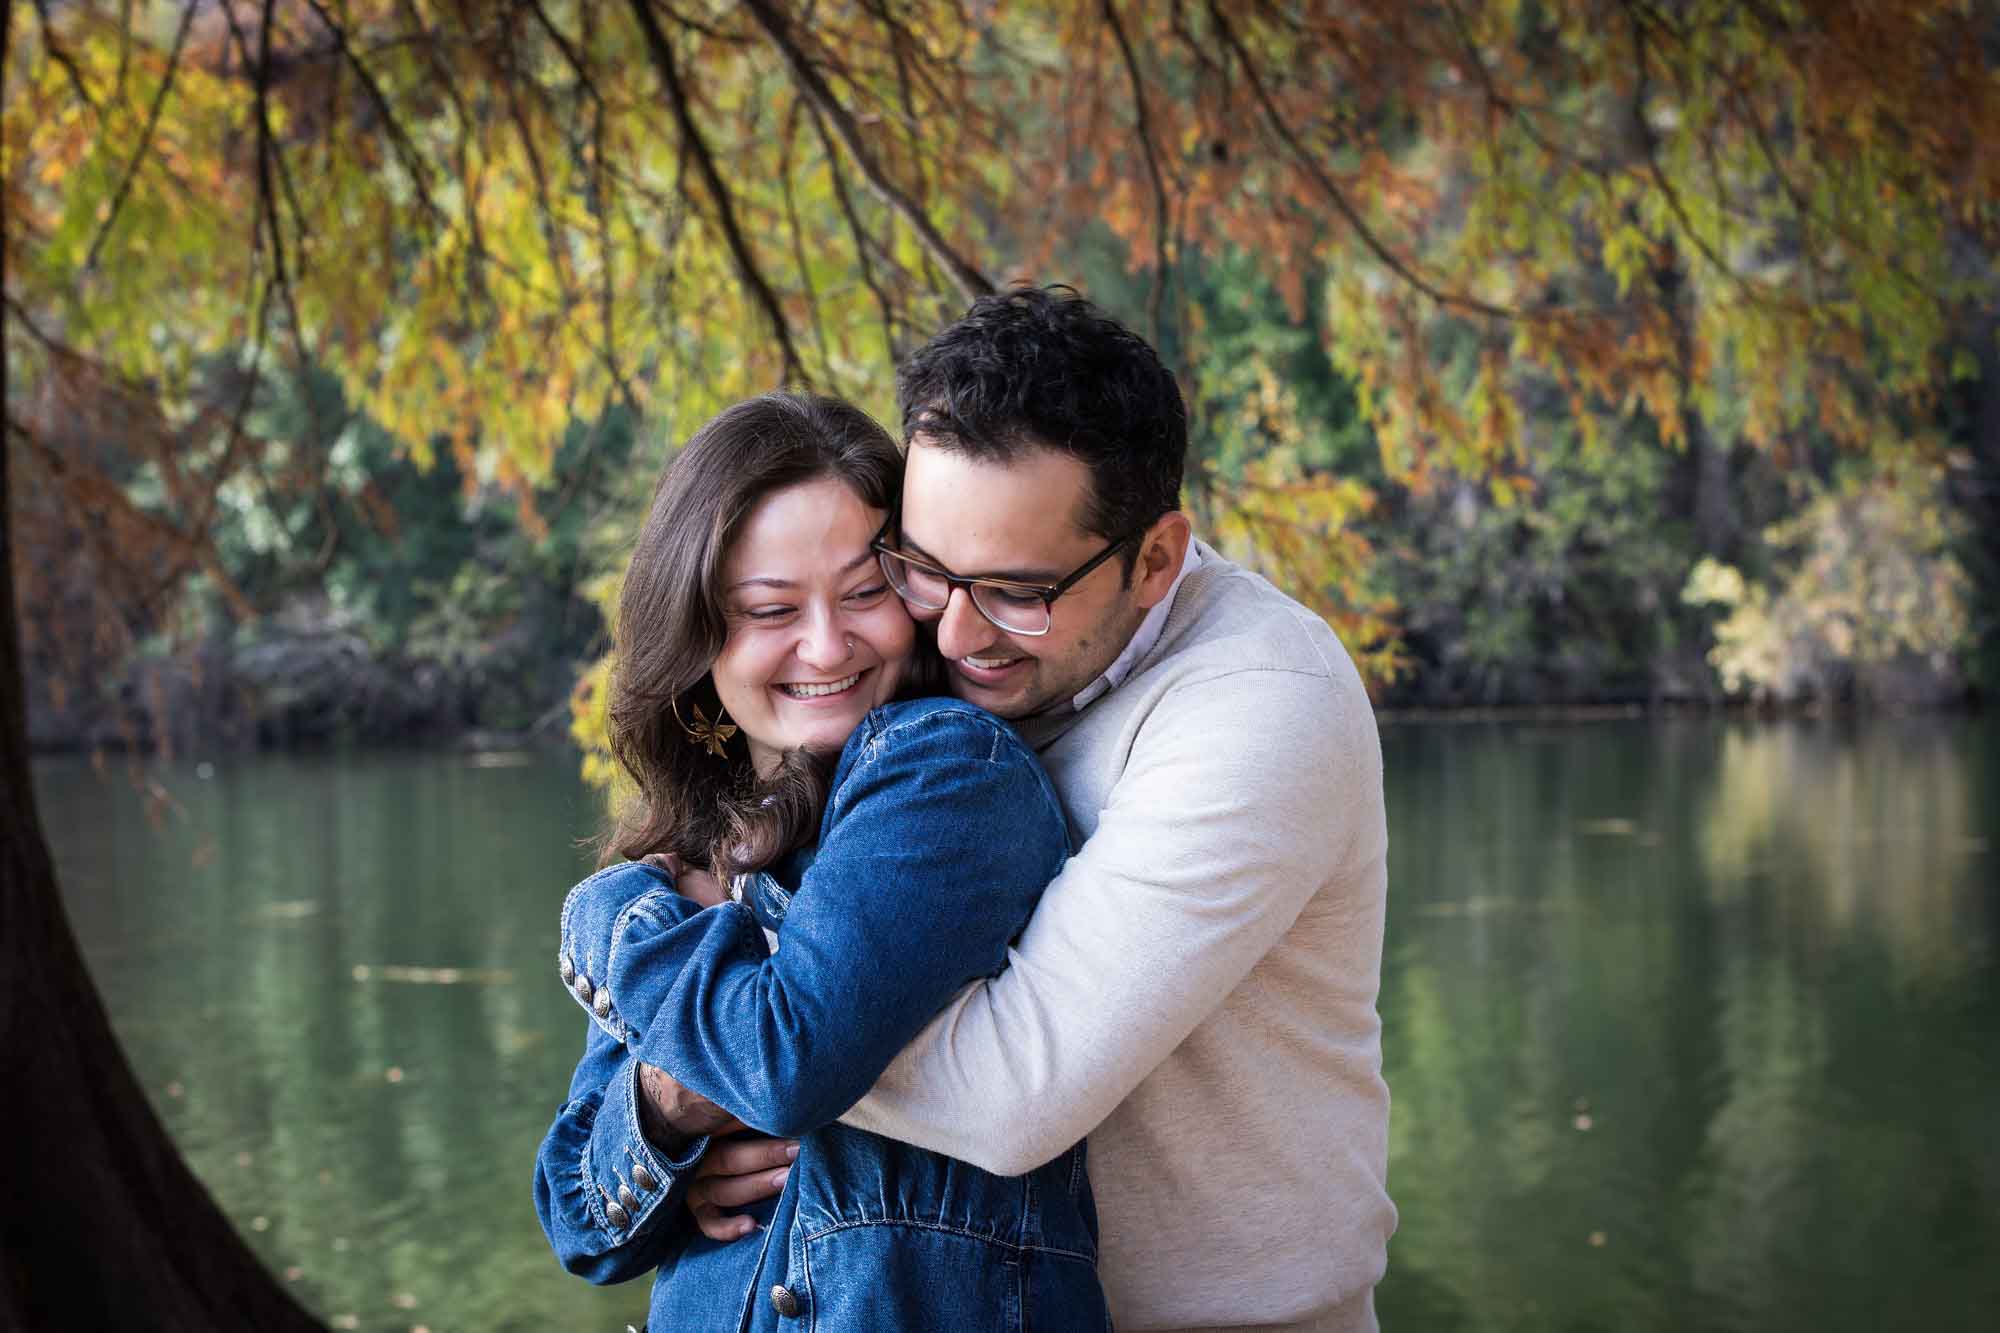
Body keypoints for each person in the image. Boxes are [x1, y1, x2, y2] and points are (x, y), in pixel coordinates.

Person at [658, 288, 1396, 1331]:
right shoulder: (922, 672)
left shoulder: (1259, 701)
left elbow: (1008, 1099)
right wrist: (666, 1130)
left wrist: (707, 1044)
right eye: (918, 566)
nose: (956, 634)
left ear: (1153, 558)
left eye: (1015, 590)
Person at [532, 392, 1111, 1331]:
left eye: (865, 591)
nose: (827, 644)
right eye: (770, 609)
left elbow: (784, 1060)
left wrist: (611, 918)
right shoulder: (700, 848)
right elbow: (578, 1220)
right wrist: (668, 1123)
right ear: (697, 635)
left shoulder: (948, 770)